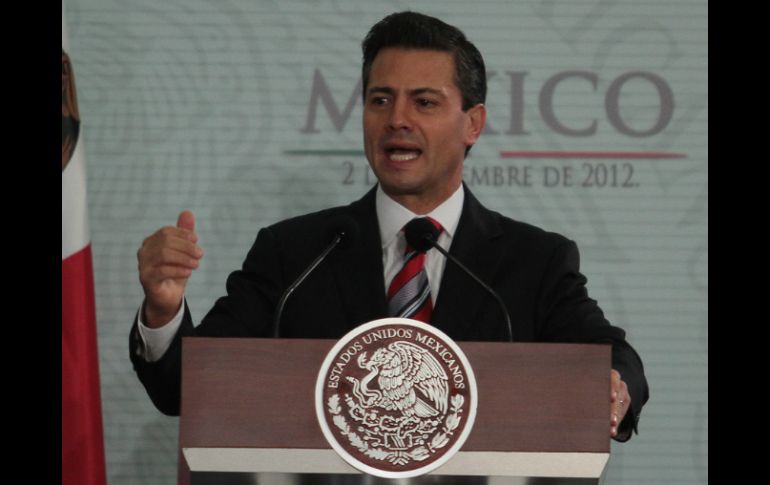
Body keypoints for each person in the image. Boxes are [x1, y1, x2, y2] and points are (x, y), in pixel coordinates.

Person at [130, 11, 648, 442]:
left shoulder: (534, 260)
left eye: (424, 102)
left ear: (473, 124)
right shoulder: (295, 253)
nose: (397, 119)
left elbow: (610, 356)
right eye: (380, 100)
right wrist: (163, 309)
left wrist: (613, 385)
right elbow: (187, 388)